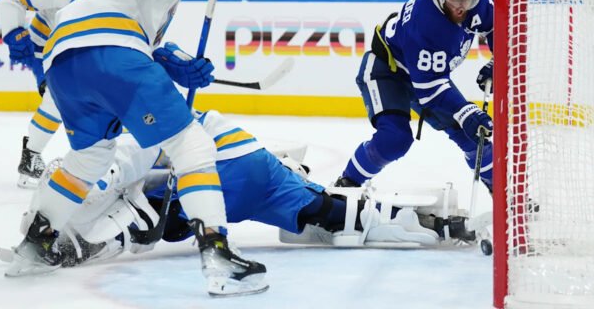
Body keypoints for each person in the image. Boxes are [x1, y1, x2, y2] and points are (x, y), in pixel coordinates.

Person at [4, 0, 267, 298]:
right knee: (192, 145)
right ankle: (220, 256)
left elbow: (139, 37)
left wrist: (175, 62)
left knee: (89, 159)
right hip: (109, 52)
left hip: (64, 63)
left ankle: (35, 246)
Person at [28, 109, 476, 269]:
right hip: (259, 165)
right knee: (332, 212)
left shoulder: (131, 132)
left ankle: (78, 248)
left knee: (152, 209)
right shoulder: (165, 110)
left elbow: (116, 170)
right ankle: (432, 223)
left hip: (225, 177)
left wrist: (63, 211)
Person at [334, 0, 495, 197]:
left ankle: (503, 191)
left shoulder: (477, 0)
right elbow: (430, 90)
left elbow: (494, 27)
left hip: (426, 76)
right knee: (395, 139)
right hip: (387, 71)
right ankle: (346, 186)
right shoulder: (425, 22)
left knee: (474, 138)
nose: (463, 6)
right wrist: (465, 111)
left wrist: (497, 59)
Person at [0, 0, 118, 189]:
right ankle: (31, 158)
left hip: (81, 50)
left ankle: (103, 160)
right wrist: (14, 32)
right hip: (47, 49)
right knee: (56, 99)